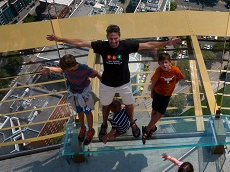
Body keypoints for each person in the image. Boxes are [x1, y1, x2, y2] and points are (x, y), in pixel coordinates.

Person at [47, 25, 180, 139]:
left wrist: (166, 43)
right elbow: (82, 43)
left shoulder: (126, 45)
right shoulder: (102, 46)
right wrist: (60, 39)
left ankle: (132, 122)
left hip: (124, 82)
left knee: (129, 104)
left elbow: (147, 44)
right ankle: (104, 124)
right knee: (105, 105)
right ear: (107, 37)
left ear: (119, 37)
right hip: (107, 83)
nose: (113, 41)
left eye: (115, 38)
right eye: (111, 39)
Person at [41, 54, 101, 145]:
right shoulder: (68, 68)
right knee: (79, 112)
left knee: (88, 112)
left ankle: (91, 130)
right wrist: (50, 68)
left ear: (72, 67)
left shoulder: (84, 69)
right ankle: (83, 128)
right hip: (75, 94)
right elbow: (61, 70)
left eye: (67, 69)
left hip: (85, 94)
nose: (66, 71)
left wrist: (106, 83)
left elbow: (96, 74)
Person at [142, 52, 185, 144]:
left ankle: (147, 129)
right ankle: (152, 128)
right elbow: (153, 81)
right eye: (162, 63)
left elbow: (180, 77)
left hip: (167, 95)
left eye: (166, 62)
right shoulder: (159, 71)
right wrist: (152, 92)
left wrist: (173, 83)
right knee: (154, 111)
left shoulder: (175, 70)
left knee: (161, 113)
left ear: (170, 62)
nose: (164, 65)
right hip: (158, 92)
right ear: (159, 63)